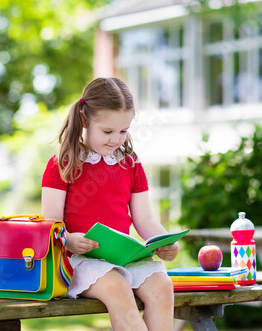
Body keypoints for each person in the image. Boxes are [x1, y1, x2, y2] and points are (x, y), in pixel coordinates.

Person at [41, 77, 179, 331]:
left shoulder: (131, 165)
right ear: (85, 120)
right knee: (117, 288)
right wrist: (69, 239)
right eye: (108, 131)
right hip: (79, 260)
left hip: (124, 259)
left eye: (123, 131)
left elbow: (145, 219)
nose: (116, 139)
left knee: (162, 286)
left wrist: (166, 241)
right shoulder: (63, 163)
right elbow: (49, 222)